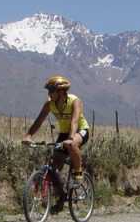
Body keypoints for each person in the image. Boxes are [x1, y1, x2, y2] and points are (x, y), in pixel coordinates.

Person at [22, 75, 90, 210]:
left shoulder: (74, 101)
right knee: (53, 170)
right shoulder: (50, 104)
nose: (48, 94)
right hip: (64, 134)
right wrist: (28, 135)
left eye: (51, 91)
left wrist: (71, 138)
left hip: (80, 130)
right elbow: (39, 120)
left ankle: (78, 173)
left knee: (71, 144)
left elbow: (74, 121)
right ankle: (61, 197)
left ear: (60, 92)